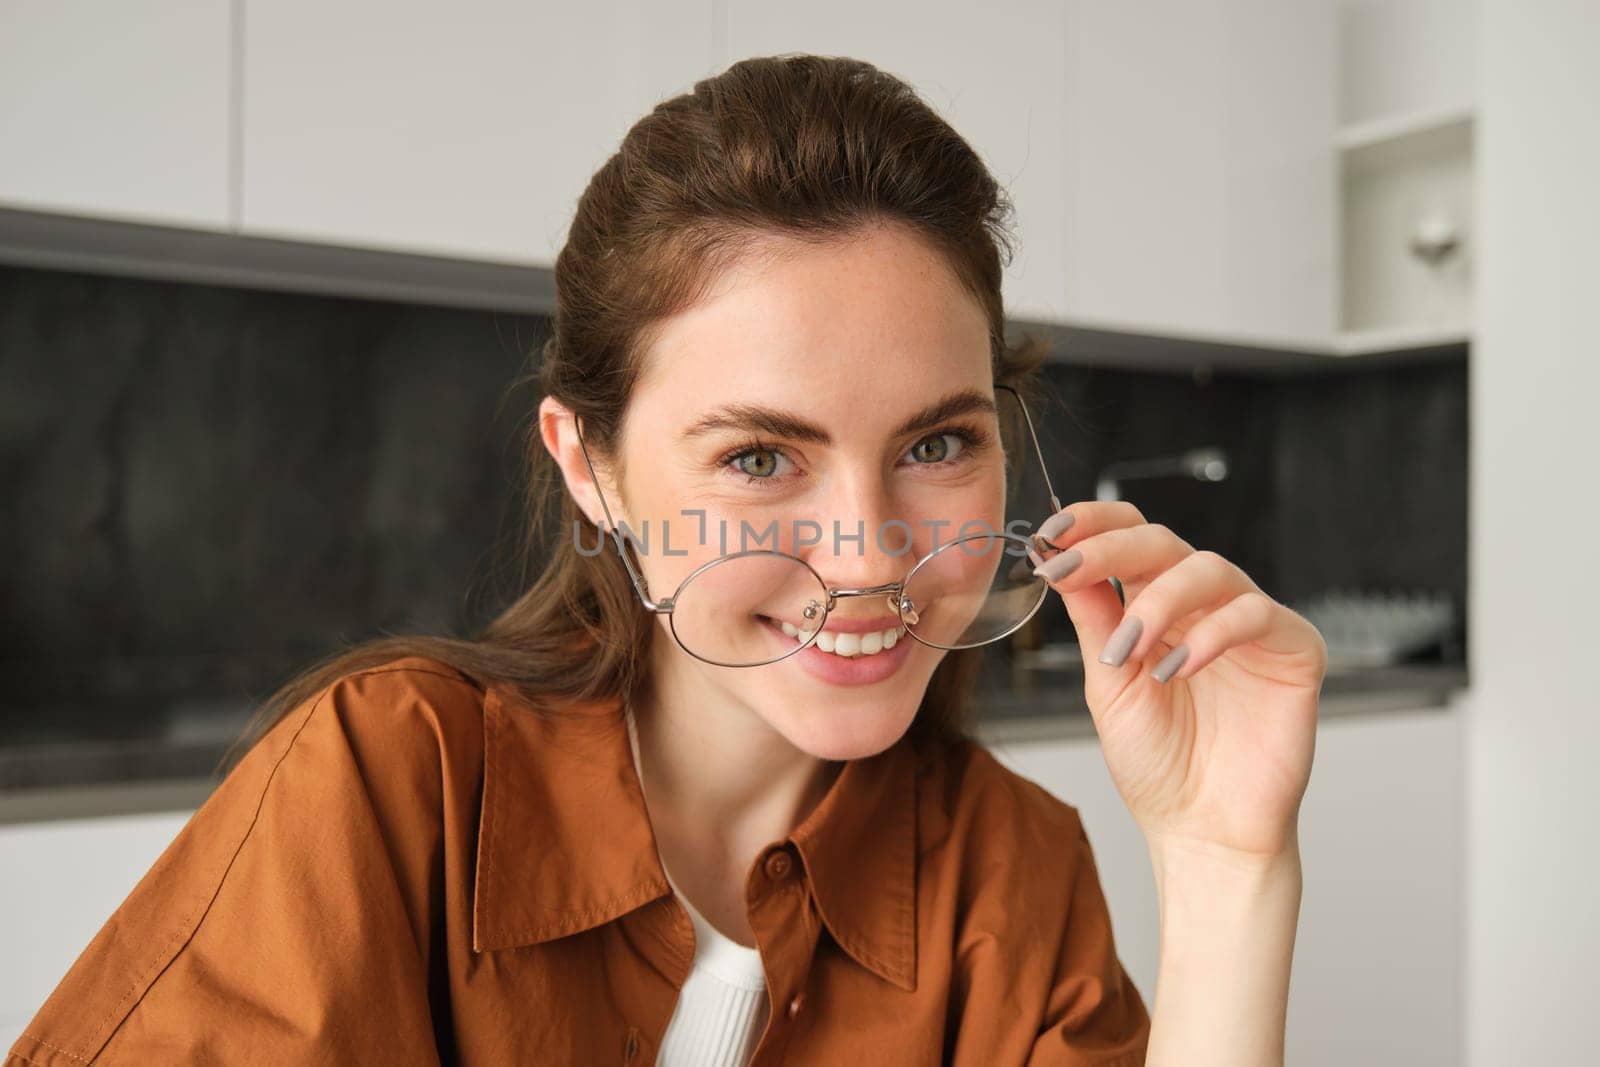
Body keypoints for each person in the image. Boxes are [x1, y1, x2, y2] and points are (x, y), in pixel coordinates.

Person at [6, 54, 1325, 1067]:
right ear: (593, 467)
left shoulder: (1012, 871)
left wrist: (1224, 867)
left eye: (936, 441)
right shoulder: (387, 787)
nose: (869, 556)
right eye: (761, 456)